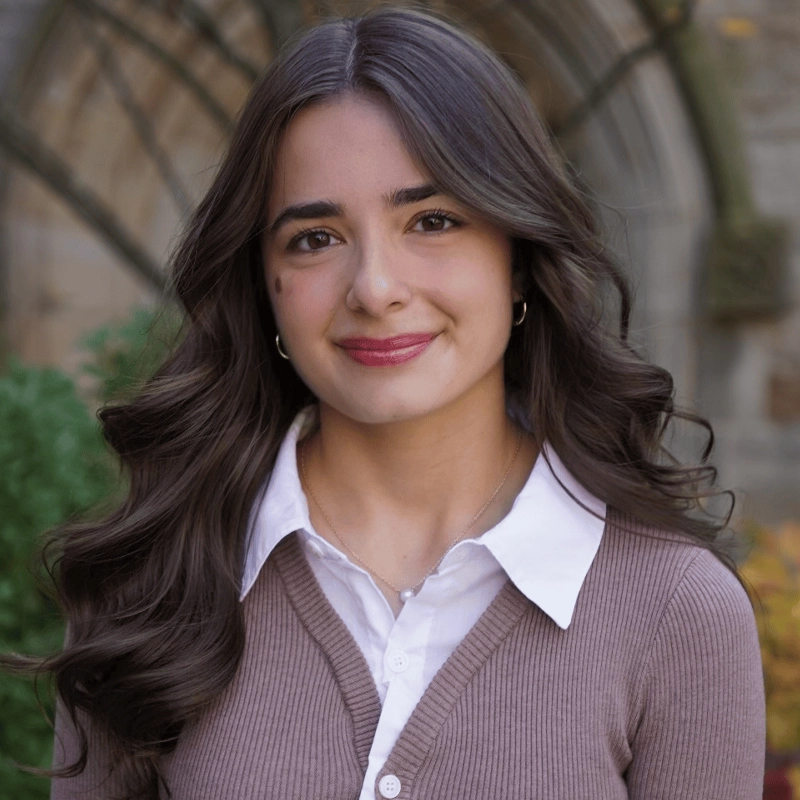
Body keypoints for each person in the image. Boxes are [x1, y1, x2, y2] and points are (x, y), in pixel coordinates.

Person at [19, 7, 765, 799]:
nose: (375, 289)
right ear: (265, 285)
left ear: (516, 259)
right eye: (315, 238)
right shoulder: (147, 591)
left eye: (433, 221)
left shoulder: (677, 612)